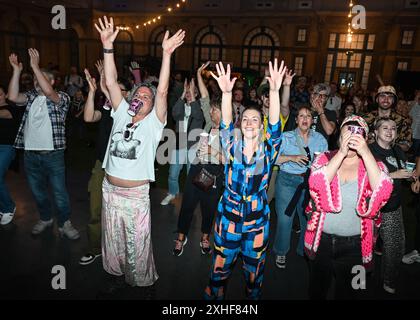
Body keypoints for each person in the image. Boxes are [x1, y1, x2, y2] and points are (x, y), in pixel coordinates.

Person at [95, 15, 185, 291]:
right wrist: (107, 46)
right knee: (112, 240)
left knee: (137, 242)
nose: (142, 97)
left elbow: (163, 92)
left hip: (135, 196)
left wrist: (166, 54)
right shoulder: (122, 113)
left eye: (147, 96)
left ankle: (141, 282)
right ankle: (115, 276)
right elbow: (111, 83)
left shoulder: (154, 124)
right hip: (109, 189)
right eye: (139, 94)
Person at [204, 60, 284, 300]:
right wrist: (226, 93)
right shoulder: (231, 145)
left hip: (257, 222)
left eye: (255, 120)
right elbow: (227, 123)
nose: (249, 122)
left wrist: (274, 91)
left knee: (254, 274)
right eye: (246, 119)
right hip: (228, 218)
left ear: (261, 127)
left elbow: (275, 126)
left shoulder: (269, 150)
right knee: (219, 272)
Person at [304, 115, 393, 299]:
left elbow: (383, 192)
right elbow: (315, 186)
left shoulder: (375, 165)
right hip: (322, 242)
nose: (352, 138)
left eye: (357, 134)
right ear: (339, 138)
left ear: (366, 139)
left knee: (353, 293)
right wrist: (341, 154)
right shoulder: (323, 159)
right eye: (347, 134)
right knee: (316, 290)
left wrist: (366, 152)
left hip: (358, 247)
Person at [8, 50, 80, 239]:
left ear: (52, 82)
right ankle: (46, 218)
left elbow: (48, 92)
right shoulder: (31, 97)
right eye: (35, 80)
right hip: (30, 155)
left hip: (53, 155)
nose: (37, 83)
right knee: (38, 192)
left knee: (59, 193)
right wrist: (16, 70)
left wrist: (35, 67)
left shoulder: (62, 98)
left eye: (41, 79)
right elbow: (13, 97)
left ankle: (65, 223)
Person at [273, 105, 328, 268]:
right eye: (301, 116)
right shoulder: (285, 137)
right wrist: (292, 157)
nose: (305, 119)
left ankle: (303, 249)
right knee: (284, 219)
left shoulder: (320, 140)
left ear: (312, 120)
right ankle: (281, 251)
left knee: (307, 219)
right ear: (296, 120)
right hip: (287, 181)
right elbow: (272, 158)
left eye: (308, 116)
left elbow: (326, 164)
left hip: (309, 183)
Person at [369, 117, 414, 294]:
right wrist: (394, 174)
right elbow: (365, 178)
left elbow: (404, 172)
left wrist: (410, 177)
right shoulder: (369, 151)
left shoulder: (398, 151)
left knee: (396, 246)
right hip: (371, 207)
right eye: (385, 127)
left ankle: (388, 280)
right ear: (376, 132)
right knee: (363, 246)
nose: (389, 131)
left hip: (392, 206)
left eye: (393, 128)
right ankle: (359, 279)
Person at [160, 78, 204, 206]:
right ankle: (173, 193)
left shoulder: (200, 107)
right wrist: (183, 93)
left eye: (192, 91)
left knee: (191, 175)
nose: (189, 94)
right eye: (188, 92)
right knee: (173, 173)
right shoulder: (181, 106)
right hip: (179, 144)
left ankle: (191, 197)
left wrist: (193, 99)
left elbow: (198, 117)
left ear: (196, 94)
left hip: (192, 146)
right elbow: (174, 114)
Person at [0, 85, 24, 225]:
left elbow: (3, 114)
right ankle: (3, 207)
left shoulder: (11, 109)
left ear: (6, 95)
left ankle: (9, 207)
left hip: (6, 148)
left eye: (1, 94)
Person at [364, 85, 412, 151]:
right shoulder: (366, 118)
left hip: (391, 159)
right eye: (382, 96)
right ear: (377, 99)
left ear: (393, 101)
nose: (386, 100)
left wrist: (386, 144)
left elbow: (406, 146)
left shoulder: (402, 121)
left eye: (390, 97)